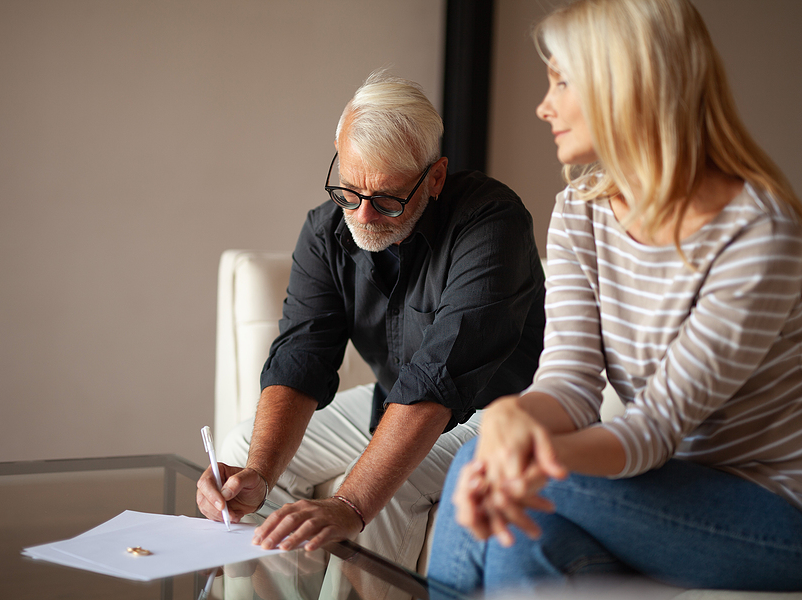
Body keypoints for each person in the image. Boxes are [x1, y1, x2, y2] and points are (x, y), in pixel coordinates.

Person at [426, 0, 802, 595]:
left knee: (479, 465)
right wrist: (511, 416)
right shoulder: (580, 211)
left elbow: (652, 431)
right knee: (522, 531)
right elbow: (570, 384)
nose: (545, 106)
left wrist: (507, 452)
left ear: (629, 84)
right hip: (673, 493)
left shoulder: (759, 234)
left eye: (563, 81)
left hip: (801, 516)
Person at [196, 70, 546, 590]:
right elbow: (300, 359)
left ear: (433, 177)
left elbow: (437, 379)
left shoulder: (492, 223)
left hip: (507, 411)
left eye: (387, 199)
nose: (362, 216)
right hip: (396, 396)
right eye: (349, 190)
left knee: (387, 492)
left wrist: (348, 504)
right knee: (246, 447)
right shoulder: (326, 228)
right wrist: (260, 474)